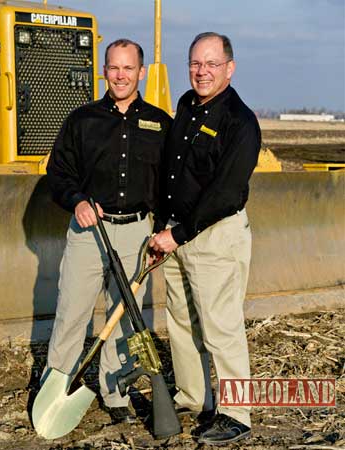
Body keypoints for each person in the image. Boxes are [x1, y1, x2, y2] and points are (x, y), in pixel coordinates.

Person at [44, 38, 172, 424]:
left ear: (141, 72)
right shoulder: (81, 120)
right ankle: (56, 387)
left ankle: (115, 396)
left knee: (123, 317)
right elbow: (58, 173)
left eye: (128, 68)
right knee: (72, 312)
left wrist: (163, 232)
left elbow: (167, 185)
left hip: (137, 233)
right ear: (104, 70)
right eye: (113, 67)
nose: (120, 75)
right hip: (88, 233)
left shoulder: (160, 123)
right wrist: (78, 201)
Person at [149, 32, 261, 445]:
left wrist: (177, 234)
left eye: (212, 64)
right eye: (196, 63)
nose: (202, 71)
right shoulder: (185, 105)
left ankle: (237, 414)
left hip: (214, 237)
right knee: (181, 321)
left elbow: (225, 192)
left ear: (229, 68)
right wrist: (161, 228)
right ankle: (195, 396)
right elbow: (172, 171)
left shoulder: (240, 122)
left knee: (221, 328)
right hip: (176, 235)